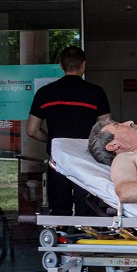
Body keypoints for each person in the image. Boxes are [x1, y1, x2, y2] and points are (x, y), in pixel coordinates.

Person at [27, 46, 111, 216]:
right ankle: (85, 240)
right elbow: (106, 128)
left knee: (59, 211)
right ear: (84, 65)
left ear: (61, 65)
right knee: (88, 211)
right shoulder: (96, 93)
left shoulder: (45, 93)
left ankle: (61, 238)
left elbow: (32, 130)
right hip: (86, 160)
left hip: (58, 160)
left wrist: (52, 139)